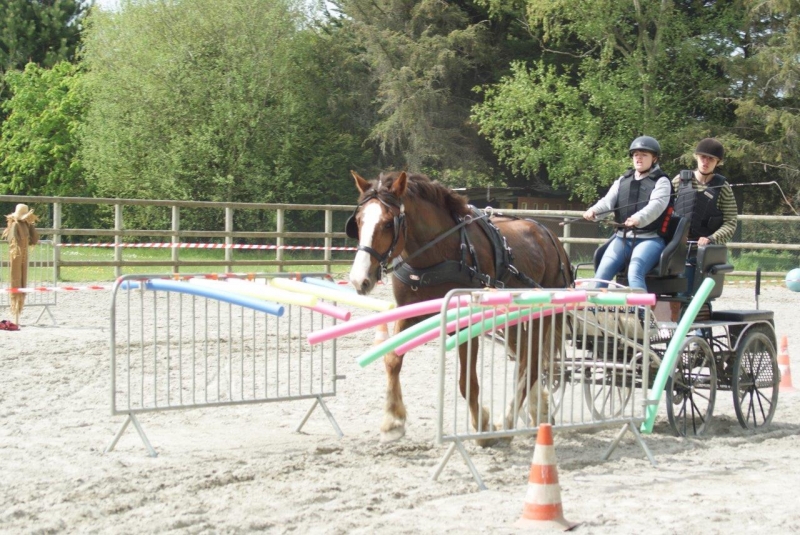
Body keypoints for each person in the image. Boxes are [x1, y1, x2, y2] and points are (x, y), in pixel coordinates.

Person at [583, 136, 673, 291]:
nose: (639, 158)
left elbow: (657, 205)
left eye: (644, 154)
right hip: (622, 238)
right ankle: (593, 312)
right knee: (600, 276)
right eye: (636, 154)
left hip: (650, 239)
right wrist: (594, 211)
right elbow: (607, 202)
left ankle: (641, 312)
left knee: (634, 272)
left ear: (654, 158)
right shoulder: (622, 180)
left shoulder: (661, 181)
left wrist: (638, 218)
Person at [672, 138, 738, 293]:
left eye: (711, 159)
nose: (705, 161)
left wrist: (711, 238)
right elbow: (664, 211)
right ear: (696, 157)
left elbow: (730, 222)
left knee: (695, 291)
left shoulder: (723, 188)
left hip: (706, 251)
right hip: (677, 247)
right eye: (703, 157)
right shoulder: (678, 181)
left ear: (718, 162)